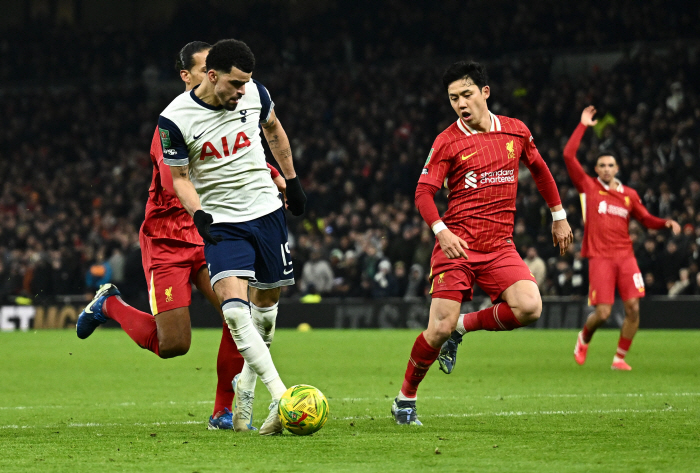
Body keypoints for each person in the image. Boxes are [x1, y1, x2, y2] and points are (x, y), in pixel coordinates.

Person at [75, 41, 286, 431]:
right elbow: (180, 181)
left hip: (213, 233)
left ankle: (224, 409)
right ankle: (110, 305)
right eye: (207, 68)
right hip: (167, 239)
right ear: (189, 76)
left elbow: (242, 151)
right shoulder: (173, 123)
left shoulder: (228, 108)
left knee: (235, 314)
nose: (220, 79)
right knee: (174, 345)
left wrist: (272, 175)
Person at [392, 61, 573, 425]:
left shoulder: (516, 131)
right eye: (453, 98)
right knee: (438, 328)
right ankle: (405, 398)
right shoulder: (447, 141)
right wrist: (441, 231)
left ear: (485, 92)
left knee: (529, 307)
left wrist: (559, 214)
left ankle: (464, 326)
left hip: (499, 245)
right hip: (456, 244)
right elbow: (423, 192)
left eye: (466, 94)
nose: (460, 103)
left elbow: (540, 169)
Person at [158, 39, 306, 435]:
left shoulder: (256, 93)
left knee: (267, 311)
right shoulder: (174, 119)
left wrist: (291, 180)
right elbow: (181, 179)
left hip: (267, 213)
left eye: (246, 83)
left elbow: (273, 130)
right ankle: (281, 395)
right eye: (235, 84)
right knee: (236, 311)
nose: (242, 91)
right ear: (212, 76)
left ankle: (246, 385)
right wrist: (200, 214)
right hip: (224, 223)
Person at [565, 106, 680, 370]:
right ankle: (584, 337)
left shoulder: (629, 194)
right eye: (602, 165)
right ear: (596, 169)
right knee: (603, 313)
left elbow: (646, 219)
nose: (606, 169)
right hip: (600, 256)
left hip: (625, 256)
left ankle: (619, 358)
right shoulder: (589, 187)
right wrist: (583, 125)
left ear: (617, 168)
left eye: (611, 165)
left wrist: (665, 223)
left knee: (633, 309)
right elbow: (568, 156)